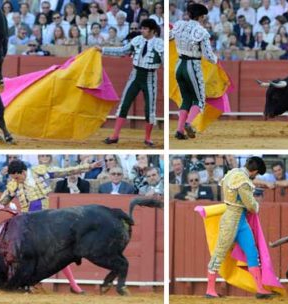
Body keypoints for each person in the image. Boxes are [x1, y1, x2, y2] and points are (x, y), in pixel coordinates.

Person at [0, 159, 102, 294]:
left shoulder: (40, 173)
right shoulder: (13, 184)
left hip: (45, 222)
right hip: (27, 225)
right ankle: (5, 283)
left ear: (23, 172)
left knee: (60, 252)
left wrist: (89, 167)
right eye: (13, 178)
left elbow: (66, 171)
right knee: (14, 253)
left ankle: (74, 285)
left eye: (17, 177)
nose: (16, 180)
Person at [204, 156, 275, 299]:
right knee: (219, 253)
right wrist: (256, 206)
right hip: (231, 220)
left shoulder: (232, 173)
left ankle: (260, 289)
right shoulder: (243, 181)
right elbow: (250, 205)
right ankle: (210, 290)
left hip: (239, 220)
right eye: (257, 174)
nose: (256, 176)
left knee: (252, 252)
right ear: (254, 171)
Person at [99, 19, 162, 147]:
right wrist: (103, 50)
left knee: (149, 108)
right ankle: (115, 136)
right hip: (135, 76)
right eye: (142, 28)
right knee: (124, 104)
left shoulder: (160, 44)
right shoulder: (137, 40)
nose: (142, 30)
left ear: (152, 30)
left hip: (150, 77)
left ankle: (148, 138)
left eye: (145, 28)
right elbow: (123, 51)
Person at [172, 3, 218, 140]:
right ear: (201, 16)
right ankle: (188, 123)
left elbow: (168, 37)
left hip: (179, 65)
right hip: (192, 66)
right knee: (199, 100)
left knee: (186, 99)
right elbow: (208, 56)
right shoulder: (201, 32)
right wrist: (216, 60)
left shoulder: (179, 25)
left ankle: (179, 131)